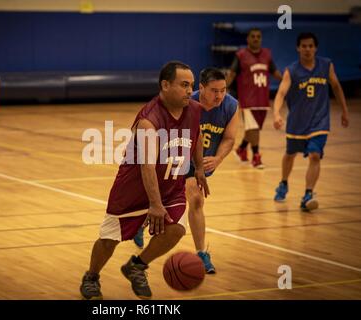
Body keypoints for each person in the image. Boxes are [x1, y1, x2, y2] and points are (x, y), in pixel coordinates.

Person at [80, 61, 209, 300]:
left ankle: (136, 266)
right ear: (165, 85)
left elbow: (197, 134)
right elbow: (146, 166)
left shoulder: (193, 109)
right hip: (134, 189)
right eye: (183, 85)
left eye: (191, 85)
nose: (189, 90)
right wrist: (155, 204)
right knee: (109, 240)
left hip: (171, 186)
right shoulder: (149, 119)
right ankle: (91, 276)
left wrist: (199, 167)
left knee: (176, 230)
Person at [134, 68, 238, 274]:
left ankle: (143, 222)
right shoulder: (187, 102)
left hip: (203, 160)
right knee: (196, 199)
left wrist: (217, 159)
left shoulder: (231, 106)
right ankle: (201, 253)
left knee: (174, 199)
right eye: (214, 90)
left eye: (223, 90)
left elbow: (229, 138)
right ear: (201, 88)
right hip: (177, 153)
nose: (219, 95)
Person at [273, 32, 349, 211]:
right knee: (290, 154)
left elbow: (337, 87)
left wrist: (344, 111)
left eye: (310, 46)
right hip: (297, 123)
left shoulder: (326, 65)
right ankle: (283, 183)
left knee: (315, 155)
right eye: (304, 46)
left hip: (319, 122)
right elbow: (281, 93)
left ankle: (308, 193)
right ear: (298, 48)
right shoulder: (291, 70)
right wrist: (276, 113)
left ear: (316, 48)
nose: (307, 49)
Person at [227, 27, 282, 169]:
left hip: (263, 99)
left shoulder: (267, 55)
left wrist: (288, 82)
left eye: (258, 36)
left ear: (261, 39)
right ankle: (256, 157)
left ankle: (241, 149)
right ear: (248, 39)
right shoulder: (241, 55)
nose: (256, 38)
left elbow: (275, 72)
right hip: (247, 100)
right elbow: (232, 74)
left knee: (253, 129)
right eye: (253, 36)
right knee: (254, 129)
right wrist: (222, 91)